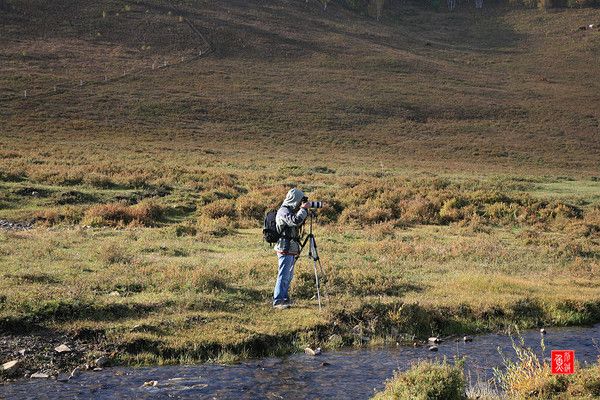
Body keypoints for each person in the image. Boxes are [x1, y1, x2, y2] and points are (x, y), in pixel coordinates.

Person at [272, 188, 310, 309]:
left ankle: (284, 298)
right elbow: (295, 221)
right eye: (299, 200)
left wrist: (303, 211)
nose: (300, 203)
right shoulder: (284, 211)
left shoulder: (290, 210)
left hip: (291, 247)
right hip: (285, 247)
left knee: (288, 275)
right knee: (283, 274)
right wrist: (303, 210)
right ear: (294, 199)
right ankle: (278, 301)